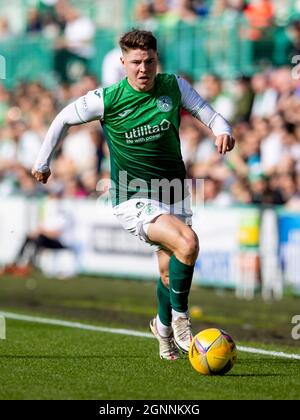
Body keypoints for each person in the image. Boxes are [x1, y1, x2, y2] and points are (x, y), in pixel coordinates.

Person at [31, 29, 235, 360]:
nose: (144, 69)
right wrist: (42, 163)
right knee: (188, 242)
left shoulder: (174, 86)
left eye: (150, 61)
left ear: (157, 60)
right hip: (132, 196)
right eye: (136, 62)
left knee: (170, 270)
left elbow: (210, 115)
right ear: (123, 62)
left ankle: (163, 328)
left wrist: (222, 130)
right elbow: (62, 119)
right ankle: (182, 322)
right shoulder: (107, 98)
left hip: (174, 191)